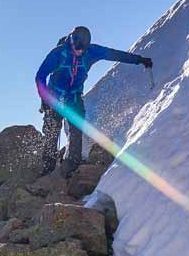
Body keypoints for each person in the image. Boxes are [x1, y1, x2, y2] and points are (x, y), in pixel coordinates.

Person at [34, 25, 152, 175]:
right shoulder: (58, 54)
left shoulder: (92, 51)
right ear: (71, 42)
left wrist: (139, 59)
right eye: (78, 48)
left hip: (74, 96)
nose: (80, 51)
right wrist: (44, 98)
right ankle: (47, 166)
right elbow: (40, 76)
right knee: (52, 129)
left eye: (83, 49)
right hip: (54, 96)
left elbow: (114, 54)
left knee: (77, 126)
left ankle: (72, 164)